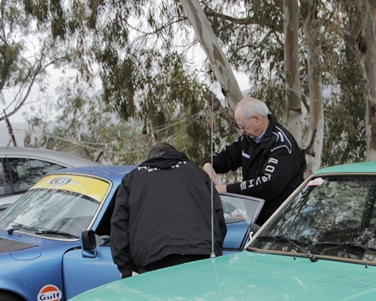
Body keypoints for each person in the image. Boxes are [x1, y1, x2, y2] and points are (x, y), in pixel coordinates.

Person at [111, 142, 227, 278]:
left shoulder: (132, 179)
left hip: (152, 262)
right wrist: (215, 252)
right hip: (199, 258)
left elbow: (119, 226)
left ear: (150, 159)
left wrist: (125, 269)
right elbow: (218, 217)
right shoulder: (197, 173)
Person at [203, 97, 306, 225]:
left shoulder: (281, 144)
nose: (241, 130)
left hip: (283, 220)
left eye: (243, 126)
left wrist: (228, 189)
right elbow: (227, 155)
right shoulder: (248, 139)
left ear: (257, 119)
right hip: (256, 217)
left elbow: (269, 183)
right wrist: (209, 164)